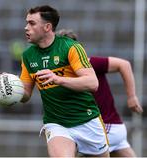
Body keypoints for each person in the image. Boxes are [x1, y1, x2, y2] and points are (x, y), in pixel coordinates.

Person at [19, 5, 109, 157]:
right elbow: (25, 95)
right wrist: (10, 88)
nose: (26, 27)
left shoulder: (70, 47)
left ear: (47, 27)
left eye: (32, 23)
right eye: (27, 22)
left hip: (87, 120)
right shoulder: (28, 55)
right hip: (56, 123)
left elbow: (92, 83)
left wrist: (57, 79)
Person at [56, 29, 143, 157]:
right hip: (113, 127)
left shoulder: (89, 64)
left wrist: (131, 97)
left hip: (105, 128)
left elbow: (124, 65)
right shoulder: (62, 73)